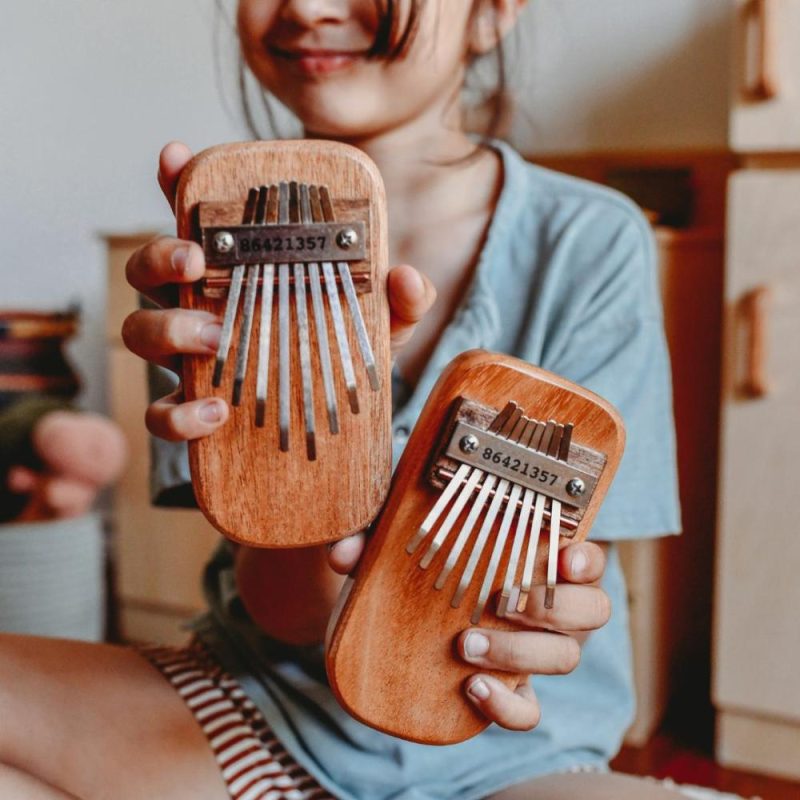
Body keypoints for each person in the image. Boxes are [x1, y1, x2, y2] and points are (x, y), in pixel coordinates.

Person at [0, 2, 682, 798]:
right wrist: (292, 444)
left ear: (493, 13)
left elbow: (512, 612)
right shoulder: (214, 244)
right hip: (251, 710)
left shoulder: (590, 242)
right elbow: (287, 616)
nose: (309, 7)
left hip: (509, 748)